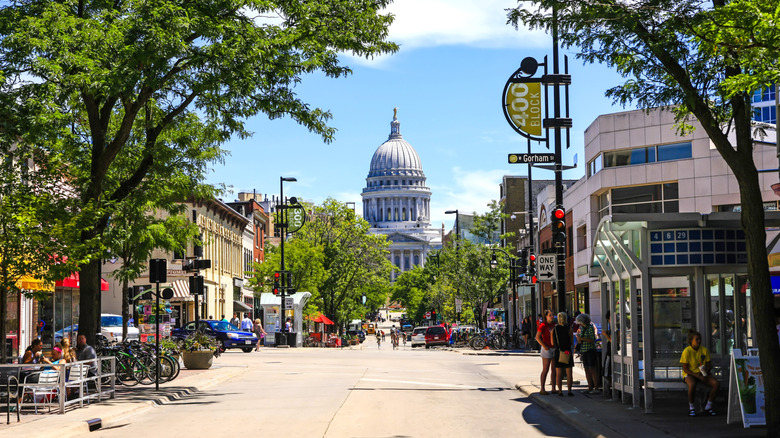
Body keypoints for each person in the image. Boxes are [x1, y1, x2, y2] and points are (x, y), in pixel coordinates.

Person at [681, 329, 719, 416]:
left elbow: (709, 365)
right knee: (692, 384)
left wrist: (705, 373)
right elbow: (685, 369)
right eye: (696, 339)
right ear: (691, 340)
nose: (699, 341)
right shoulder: (687, 351)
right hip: (690, 373)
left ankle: (708, 406)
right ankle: (692, 407)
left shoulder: (704, 350)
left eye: (700, 339)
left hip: (702, 373)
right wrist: (698, 376)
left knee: (716, 384)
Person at [534, 310, 557, 395]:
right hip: (546, 349)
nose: (552, 316)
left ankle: (554, 388)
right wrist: (544, 346)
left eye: (552, 315)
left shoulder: (555, 325)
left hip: (554, 348)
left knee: (554, 369)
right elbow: (537, 337)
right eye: (550, 315)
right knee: (545, 369)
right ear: (546, 316)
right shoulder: (543, 325)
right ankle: (542, 388)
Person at [576, 313, 599, 394]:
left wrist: (582, 338)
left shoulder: (590, 327)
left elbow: (592, 339)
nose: (580, 325)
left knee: (592, 369)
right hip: (584, 350)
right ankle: (590, 387)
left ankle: (596, 387)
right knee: (586, 369)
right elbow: (580, 340)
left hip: (590, 350)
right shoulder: (581, 328)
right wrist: (579, 339)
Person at [553, 311, 575, 397]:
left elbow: (552, 342)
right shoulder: (569, 329)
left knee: (559, 373)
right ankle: (569, 391)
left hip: (558, 351)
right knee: (569, 373)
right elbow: (571, 341)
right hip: (567, 351)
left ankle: (560, 391)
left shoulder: (554, 330)